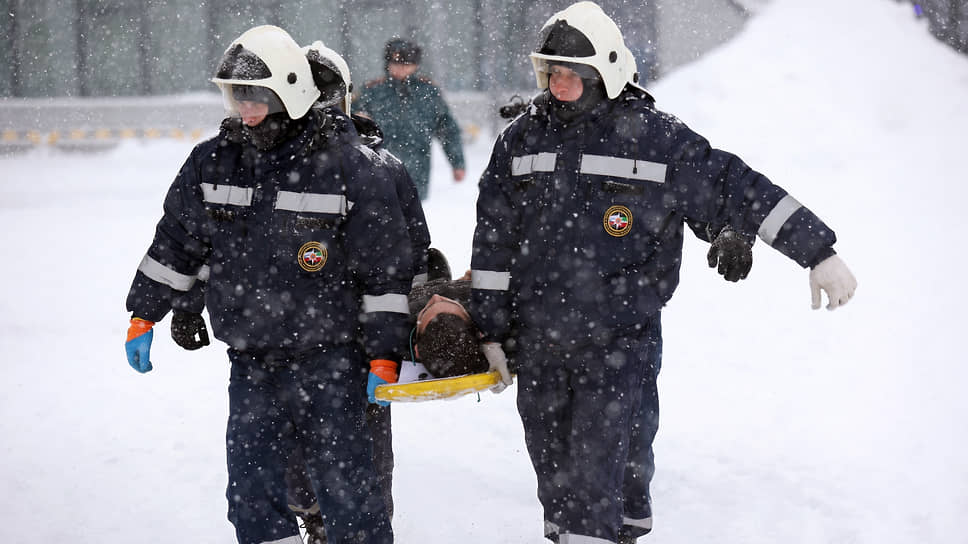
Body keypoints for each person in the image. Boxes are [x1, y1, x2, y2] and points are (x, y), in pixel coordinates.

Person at [469, 3, 858, 544]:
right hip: (539, 342)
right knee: (559, 484)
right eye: (550, 71)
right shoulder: (521, 141)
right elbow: (493, 243)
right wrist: (489, 331)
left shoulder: (654, 138)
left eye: (570, 74)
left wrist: (818, 251)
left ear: (602, 72)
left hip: (617, 343)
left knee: (596, 476)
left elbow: (736, 189)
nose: (557, 83)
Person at [123, 25, 412, 544]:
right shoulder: (214, 160)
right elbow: (179, 241)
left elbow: (386, 272)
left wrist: (385, 352)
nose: (245, 108)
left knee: (351, 499)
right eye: (237, 95)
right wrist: (147, 311)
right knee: (252, 496)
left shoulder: (352, 168)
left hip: (334, 363)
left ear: (291, 91)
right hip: (252, 361)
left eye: (255, 95)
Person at [355, 38, 466, 200]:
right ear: (388, 63)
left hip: (417, 169)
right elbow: (350, 126)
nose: (401, 68)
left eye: (407, 64)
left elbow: (447, 129)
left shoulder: (428, 92)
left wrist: (457, 163)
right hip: (377, 167)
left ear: (415, 65)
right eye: (396, 63)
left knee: (411, 217)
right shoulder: (371, 91)